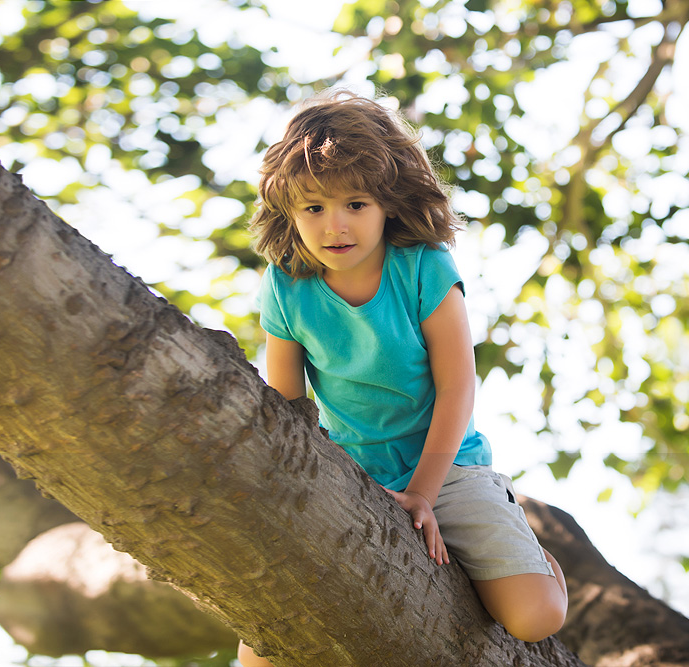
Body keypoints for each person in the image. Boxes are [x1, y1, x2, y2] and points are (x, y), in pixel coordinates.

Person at [239, 90, 568, 666]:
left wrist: (421, 493)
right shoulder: (285, 288)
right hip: (352, 469)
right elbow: (287, 410)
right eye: (313, 208)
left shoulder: (423, 265)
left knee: (535, 617)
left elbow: (458, 386)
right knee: (259, 654)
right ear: (288, 213)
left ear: (387, 204)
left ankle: (532, 555)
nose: (334, 225)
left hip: (448, 464)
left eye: (355, 204)